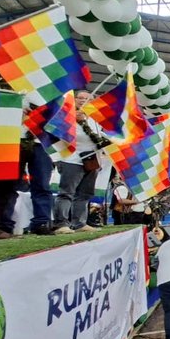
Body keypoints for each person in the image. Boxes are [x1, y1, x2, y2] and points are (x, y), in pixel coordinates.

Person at [54, 90, 105, 234]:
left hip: (92, 160)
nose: (84, 100)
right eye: (80, 98)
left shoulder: (96, 119)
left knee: (84, 194)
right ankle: (61, 224)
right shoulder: (66, 115)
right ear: (74, 99)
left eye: (88, 98)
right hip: (71, 159)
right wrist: (73, 118)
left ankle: (79, 223)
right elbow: (58, 133)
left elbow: (99, 137)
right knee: (66, 192)